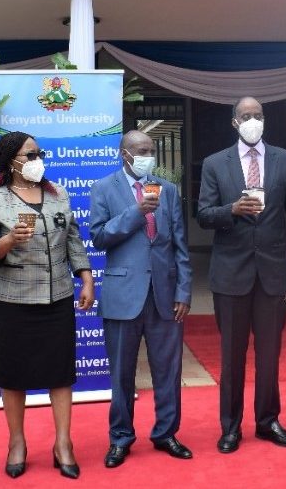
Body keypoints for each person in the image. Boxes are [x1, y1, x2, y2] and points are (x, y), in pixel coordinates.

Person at [0, 132, 95, 480]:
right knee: (13, 374)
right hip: (10, 300)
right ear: (11, 161)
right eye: (30, 155)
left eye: (39, 153)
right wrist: (9, 240)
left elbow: (73, 241)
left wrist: (86, 279)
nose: (37, 160)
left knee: (60, 372)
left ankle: (63, 443)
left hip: (57, 298)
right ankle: (16, 442)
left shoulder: (59, 195)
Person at [197, 96, 286, 453]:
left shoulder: (285, 160)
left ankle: (267, 421)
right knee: (232, 356)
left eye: (257, 115)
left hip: (273, 273)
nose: (252, 121)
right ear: (234, 122)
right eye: (245, 116)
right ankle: (230, 427)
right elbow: (204, 214)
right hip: (231, 274)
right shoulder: (216, 163)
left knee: (269, 354)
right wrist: (231, 209)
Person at [90, 130, 194, 468]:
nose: (148, 156)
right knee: (121, 373)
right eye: (142, 150)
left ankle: (166, 433)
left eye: (151, 150)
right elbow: (99, 237)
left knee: (169, 370)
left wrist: (183, 291)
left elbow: (179, 245)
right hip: (124, 296)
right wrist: (135, 212)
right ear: (125, 154)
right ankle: (120, 437)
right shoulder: (103, 188)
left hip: (165, 295)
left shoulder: (169, 190)